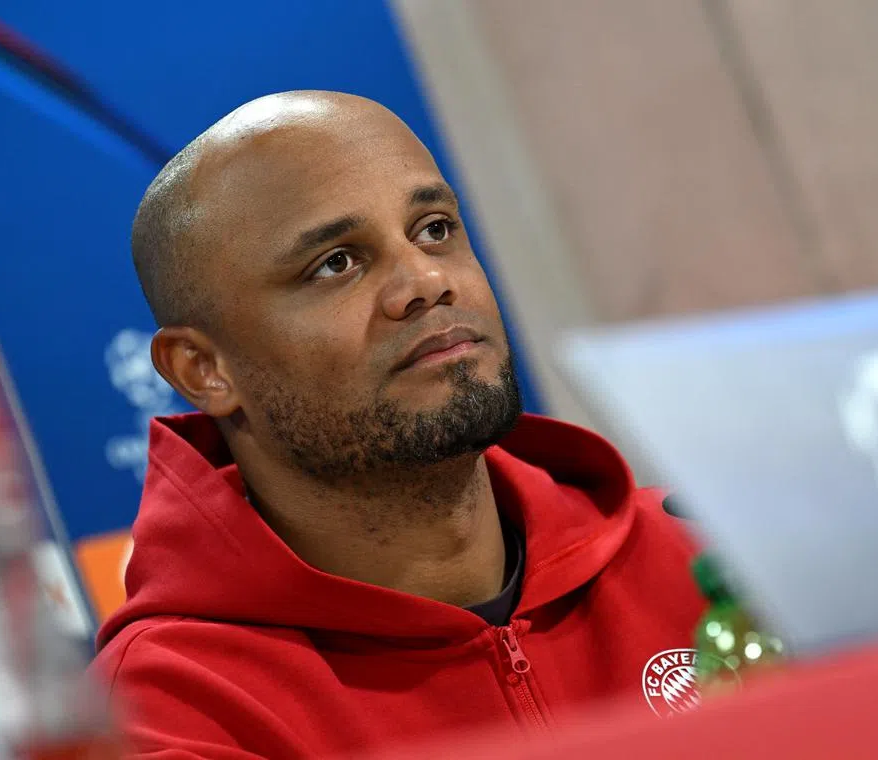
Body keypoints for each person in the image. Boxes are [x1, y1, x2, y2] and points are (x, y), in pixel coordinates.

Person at [91, 90, 705, 759]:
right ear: (204, 369)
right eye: (336, 263)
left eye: (434, 228)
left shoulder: (704, 562)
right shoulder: (167, 715)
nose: (425, 280)